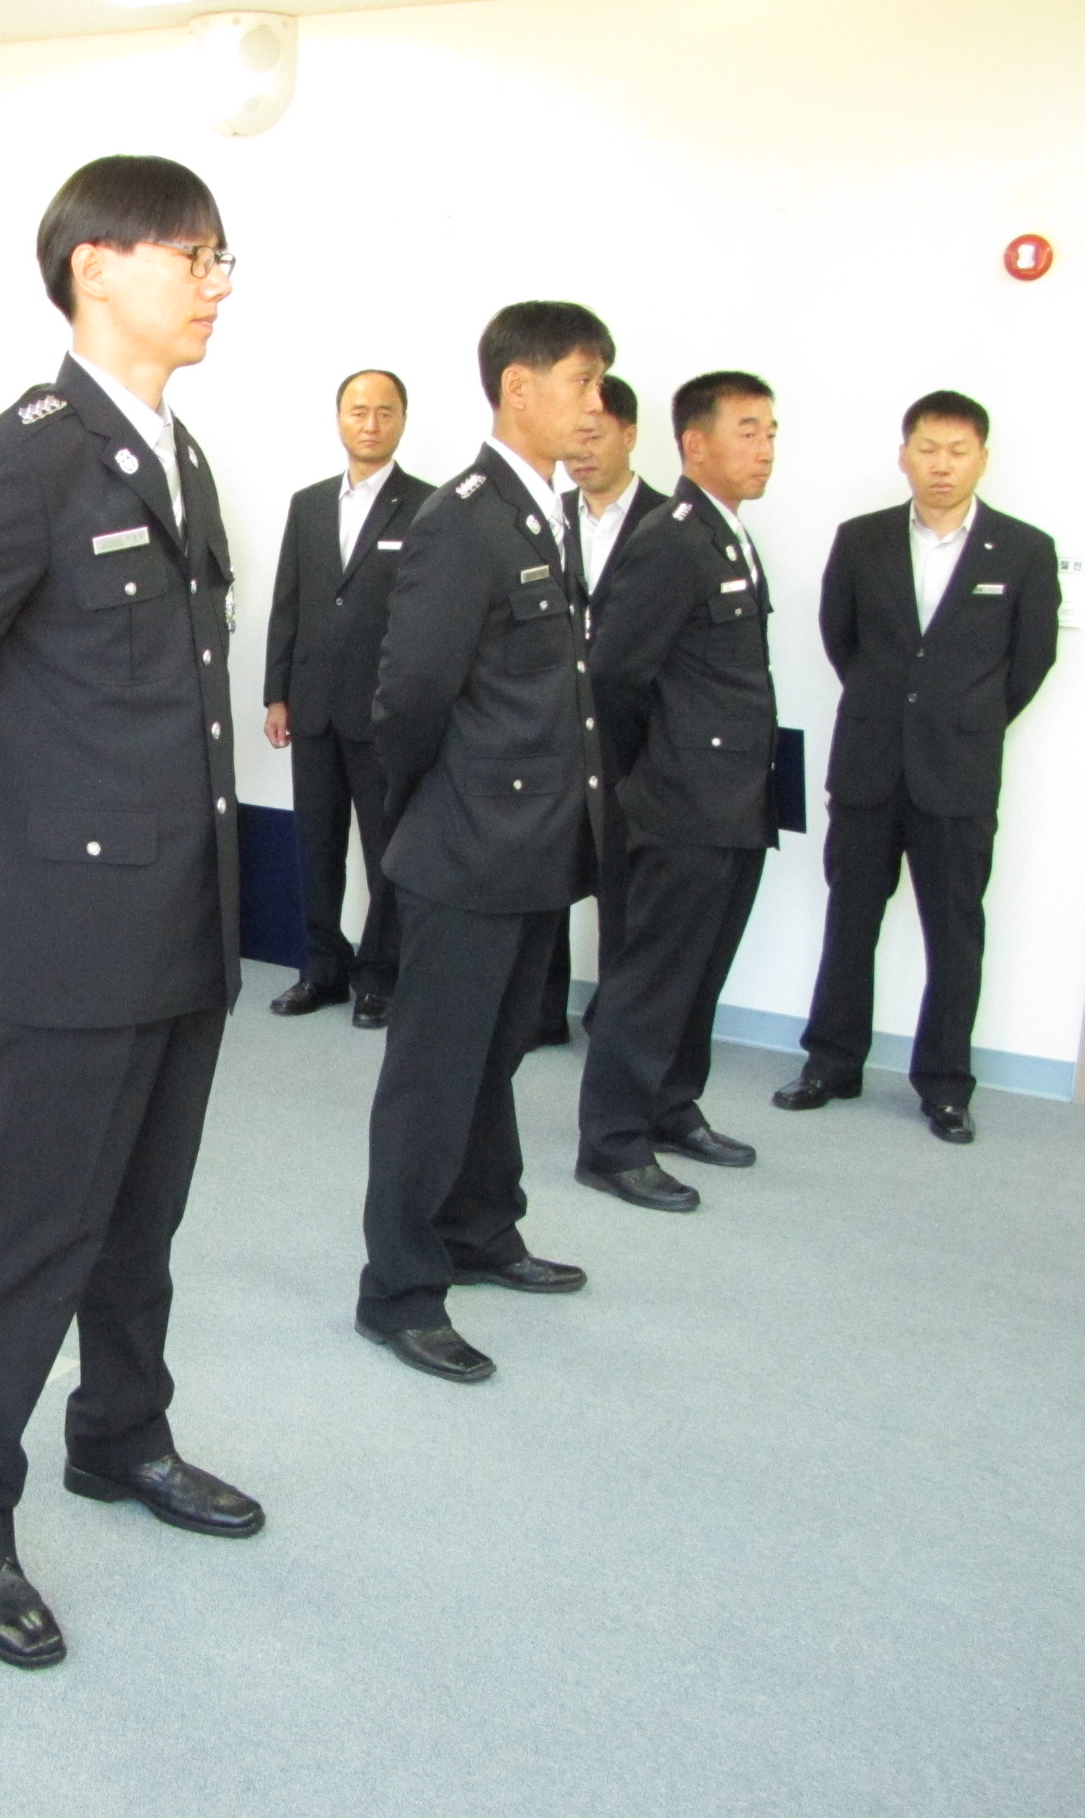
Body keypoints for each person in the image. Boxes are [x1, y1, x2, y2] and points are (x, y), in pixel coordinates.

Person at [0, 155, 260, 1670]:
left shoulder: (179, 453)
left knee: (143, 1218)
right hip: (74, 931)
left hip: (186, 916)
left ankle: (121, 1436)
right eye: (191, 257)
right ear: (96, 266)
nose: (215, 285)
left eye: (222, 261)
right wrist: (39, 835)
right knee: (26, 1231)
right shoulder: (21, 459)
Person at [357, 301, 608, 1387]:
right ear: (519, 386)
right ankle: (399, 1289)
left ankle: (479, 1227)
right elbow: (410, 693)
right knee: (435, 1074)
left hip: (534, 841)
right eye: (582, 382)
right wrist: (432, 808)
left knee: (497, 1056)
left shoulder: (544, 508)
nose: (596, 406)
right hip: (468, 843)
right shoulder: (465, 519)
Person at [776, 391, 1059, 1143]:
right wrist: (890, 710)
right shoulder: (861, 539)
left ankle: (945, 1085)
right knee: (850, 920)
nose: (941, 465)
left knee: (955, 933)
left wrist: (963, 720)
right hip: (869, 765)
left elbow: (1030, 662)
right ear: (904, 454)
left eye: (958, 451)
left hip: (958, 773)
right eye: (928, 449)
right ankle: (831, 1063)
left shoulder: (1024, 550)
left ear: (982, 459)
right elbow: (841, 638)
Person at [575, 372, 782, 1214]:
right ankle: (613, 1141)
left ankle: (670, 1103)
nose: (765, 448)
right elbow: (614, 676)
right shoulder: (673, 539)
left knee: (701, 972)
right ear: (695, 443)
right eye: (747, 431)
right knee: (652, 977)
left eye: (771, 432)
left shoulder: (727, 534)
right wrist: (644, 781)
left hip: (737, 798)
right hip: (680, 802)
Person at [262, 369, 435, 1028]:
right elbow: (289, 602)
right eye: (358, 411)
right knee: (316, 845)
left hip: (383, 714)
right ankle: (322, 969)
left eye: (384, 412)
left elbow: (429, 621)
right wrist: (276, 694)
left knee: (385, 853)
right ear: (339, 418)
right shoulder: (308, 504)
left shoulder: (428, 507)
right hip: (311, 707)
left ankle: (378, 977)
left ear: (402, 420)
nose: (370, 423)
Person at [537, 373, 666, 1045]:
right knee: (543, 876)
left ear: (630, 435)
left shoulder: (669, 523)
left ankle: (616, 1018)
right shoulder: (544, 515)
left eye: (596, 436)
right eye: (575, 437)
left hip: (633, 741)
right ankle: (539, 1012)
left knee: (624, 887)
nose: (581, 451)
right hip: (551, 734)